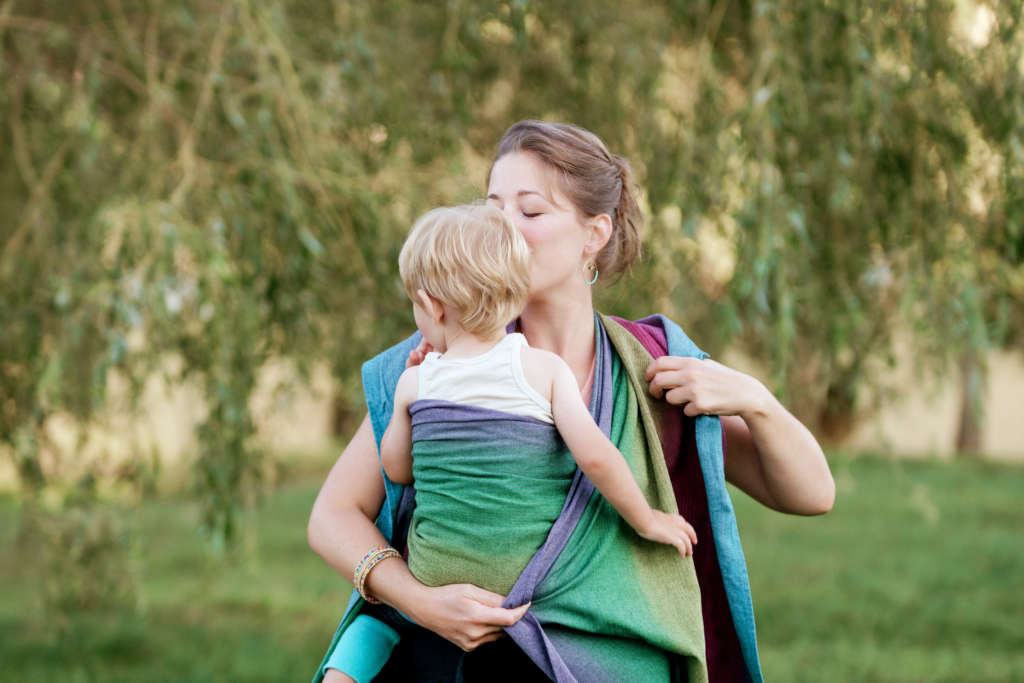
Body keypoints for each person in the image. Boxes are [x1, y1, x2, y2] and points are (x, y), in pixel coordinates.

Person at [309, 120, 835, 683]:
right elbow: (332, 516)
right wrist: (418, 600)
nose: (503, 228)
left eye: (530, 212)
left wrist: (756, 401)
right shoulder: (435, 363)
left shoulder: (649, 370)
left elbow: (812, 494)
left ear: (595, 234)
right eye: (492, 209)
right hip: (448, 655)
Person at [323, 203, 704, 683]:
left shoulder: (414, 384)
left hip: (429, 580)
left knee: (374, 623)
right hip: (522, 588)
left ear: (432, 305)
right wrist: (647, 519)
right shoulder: (544, 372)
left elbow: (397, 471)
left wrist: (410, 399)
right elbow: (597, 456)